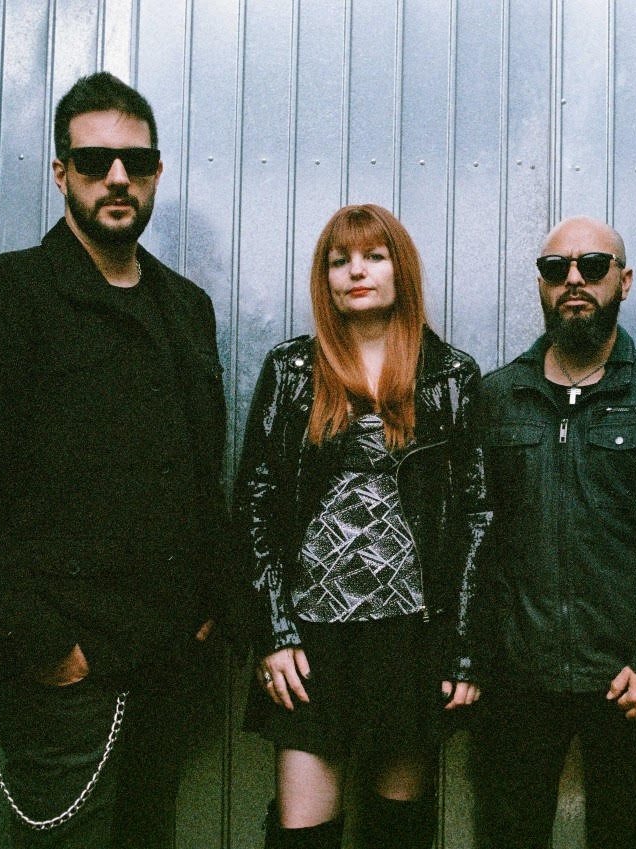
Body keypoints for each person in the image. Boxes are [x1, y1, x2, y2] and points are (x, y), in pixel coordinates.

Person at [0, 72, 229, 848]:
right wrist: (42, 642)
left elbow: (201, 470)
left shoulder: (186, 306)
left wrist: (209, 603)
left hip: (167, 662)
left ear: (157, 172)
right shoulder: (3, 294)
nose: (117, 177)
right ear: (61, 172)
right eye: (94, 161)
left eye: (136, 161)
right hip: (63, 671)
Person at [235, 204, 490, 849]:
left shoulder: (451, 375)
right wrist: (274, 631)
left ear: (401, 270)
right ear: (324, 277)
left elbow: (476, 516)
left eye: (374, 257)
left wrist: (463, 648)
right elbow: (256, 504)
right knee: (303, 833)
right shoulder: (293, 369)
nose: (356, 271)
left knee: (396, 833)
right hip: (312, 642)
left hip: (411, 637)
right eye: (339, 260)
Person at [471, 216, 636, 849]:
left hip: (627, 680)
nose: (574, 279)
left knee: (620, 835)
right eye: (556, 269)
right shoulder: (497, 398)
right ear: (542, 286)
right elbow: (474, 542)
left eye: (594, 266)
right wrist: (476, 658)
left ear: (624, 281)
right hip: (517, 682)